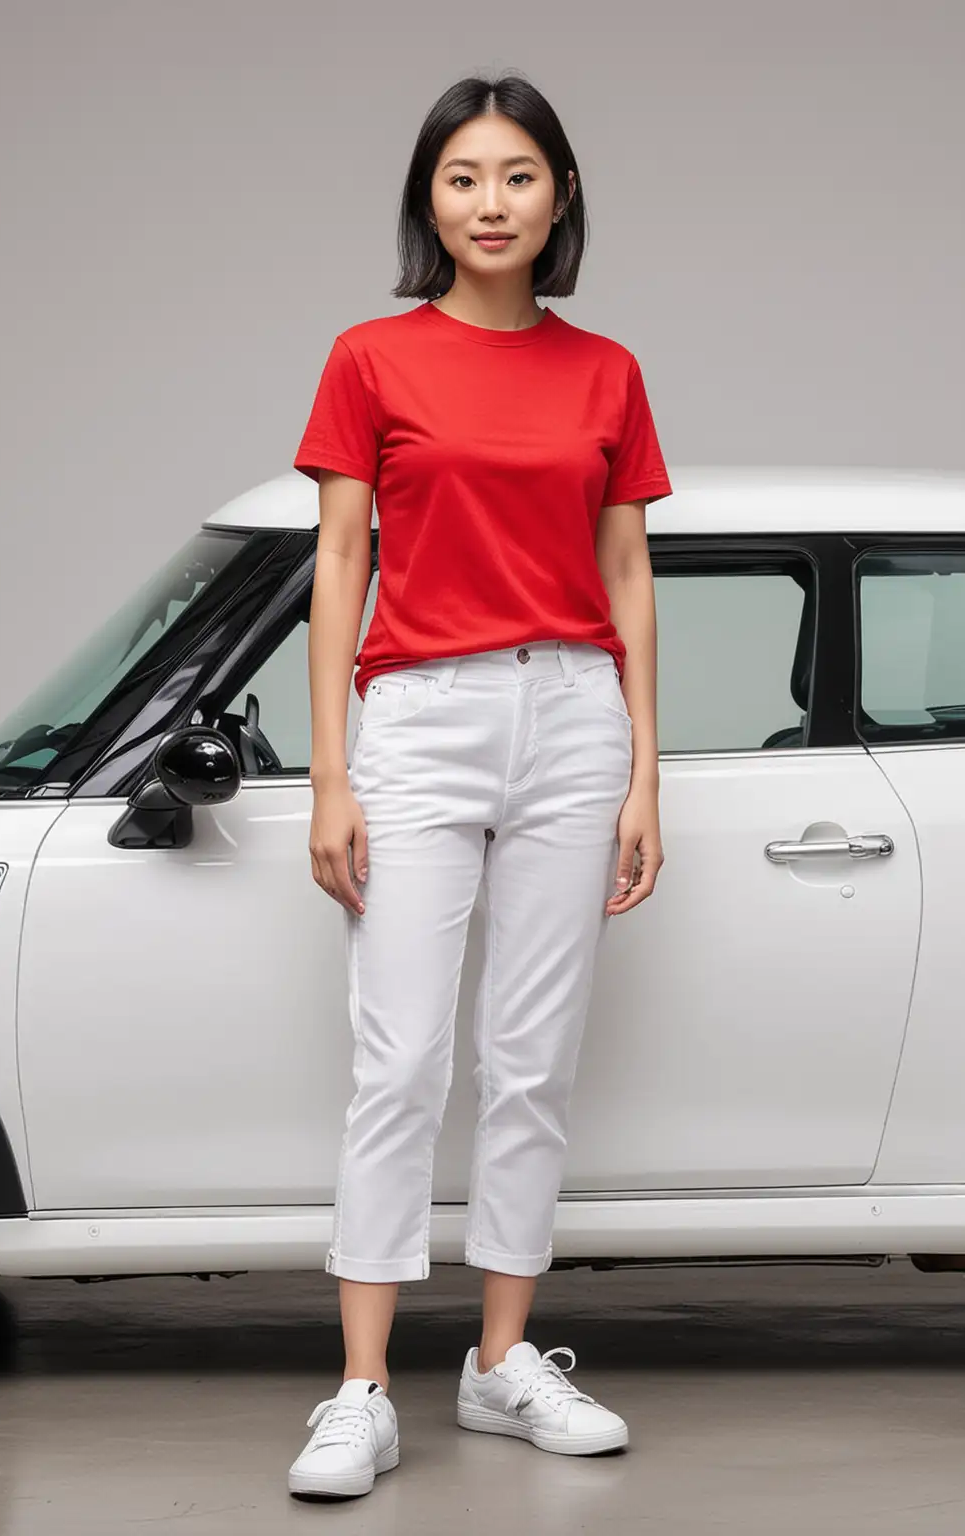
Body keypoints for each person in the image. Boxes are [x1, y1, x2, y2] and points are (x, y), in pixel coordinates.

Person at [287, 71, 671, 1501]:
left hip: (574, 714)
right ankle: (361, 1389)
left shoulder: (607, 372)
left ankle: (504, 1364)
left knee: (533, 1060)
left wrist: (645, 772)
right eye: (463, 178)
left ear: (559, 195)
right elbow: (338, 565)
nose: (490, 202)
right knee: (398, 1061)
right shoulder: (370, 359)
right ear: (428, 200)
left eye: (517, 175)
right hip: (420, 716)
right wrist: (333, 771)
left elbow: (628, 572)